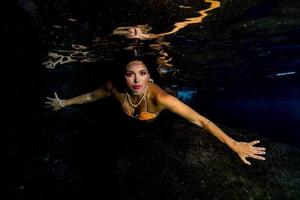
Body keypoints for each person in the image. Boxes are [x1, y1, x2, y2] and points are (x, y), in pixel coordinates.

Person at [45, 54, 266, 166]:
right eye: (130, 74)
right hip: (126, 121)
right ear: (123, 76)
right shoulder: (114, 87)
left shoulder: (161, 98)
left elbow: (201, 121)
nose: (136, 79)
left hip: (157, 119)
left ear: (149, 76)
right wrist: (63, 103)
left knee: (171, 112)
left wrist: (234, 144)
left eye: (142, 73)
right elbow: (90, 96)